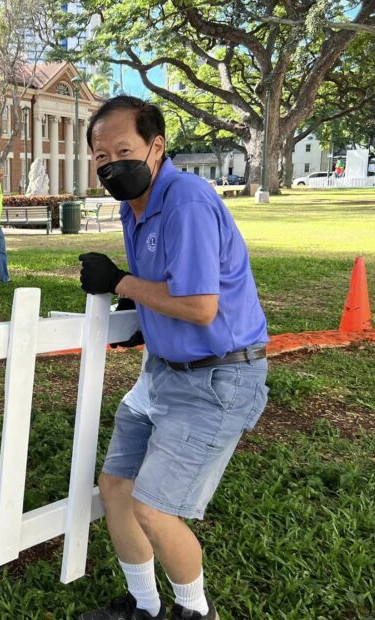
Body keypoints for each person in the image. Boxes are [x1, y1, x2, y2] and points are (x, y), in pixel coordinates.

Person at [76, 96, 269, 620]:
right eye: (100, 155)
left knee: (154, 508)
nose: (111, 163)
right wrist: (142, 316)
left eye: (123, 150)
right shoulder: (132, 206)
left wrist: (119, 280)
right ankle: (144, 606)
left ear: (156, 148)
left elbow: (202, 306)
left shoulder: (184, 200)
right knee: (115, 488)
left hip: (219, 377)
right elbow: (166, 289)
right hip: (162, 375)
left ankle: (194, 612)